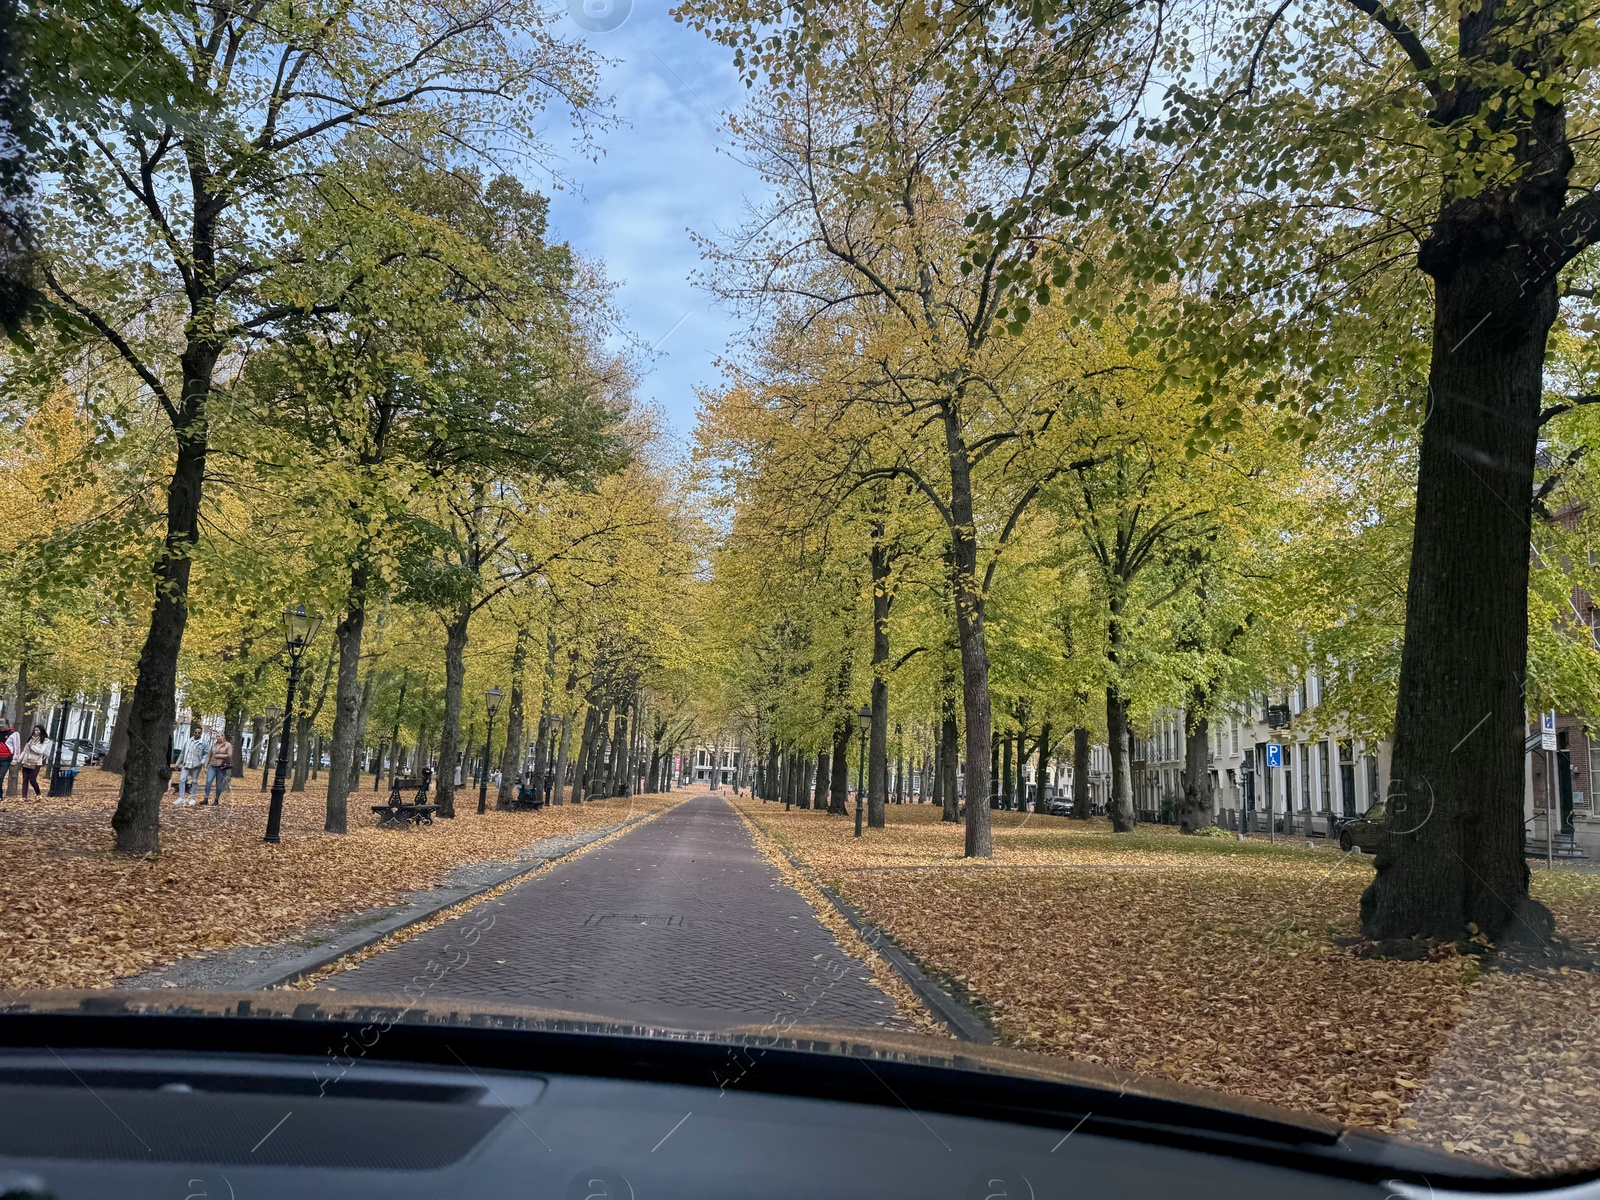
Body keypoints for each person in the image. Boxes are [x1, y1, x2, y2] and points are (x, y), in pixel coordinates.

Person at [175, 723, 209, 805]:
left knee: (194, 782)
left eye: (199, 733)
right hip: (186, 764)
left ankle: (193, 798)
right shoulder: (188, 741)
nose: (197, 734)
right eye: (196, 732)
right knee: (182, 780)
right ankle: (181, 797)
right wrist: (177, 763)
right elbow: (182, 753)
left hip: (196, 765)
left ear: (201, 733)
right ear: (193, 733)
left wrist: (202, 762)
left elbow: (206, 754)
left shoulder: (204, 743)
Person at [14, 725, 50, 797]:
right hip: (26, 761)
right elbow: (24, 751)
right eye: (35, 730)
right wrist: (18, 760)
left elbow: (41, 751)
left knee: (32, 780)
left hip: (36, 762)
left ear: (41, 731)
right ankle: (24, 796)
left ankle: (38, 794)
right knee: (25, 780)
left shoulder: (45, 740)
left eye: (37, 730)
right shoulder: (30, 739)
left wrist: (32, 746)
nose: (35, 732)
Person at [202, 732, 233, 805]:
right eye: (217, 737)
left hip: (221, 767)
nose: (217, 738)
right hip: (212, 765)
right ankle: (206, 799)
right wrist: (205, 766)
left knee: (219, 784)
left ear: (223, 736)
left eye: (219, 736)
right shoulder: (214, 744)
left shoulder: (228, 745)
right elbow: (209, 755)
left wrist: (219, 755)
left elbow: (230, 756)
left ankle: (216, 800)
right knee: (208, 781)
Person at [0, 723, 14, 793]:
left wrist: (15, 759)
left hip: (6, 758)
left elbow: (16, 747)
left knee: (1, 776)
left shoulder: (12, 734)